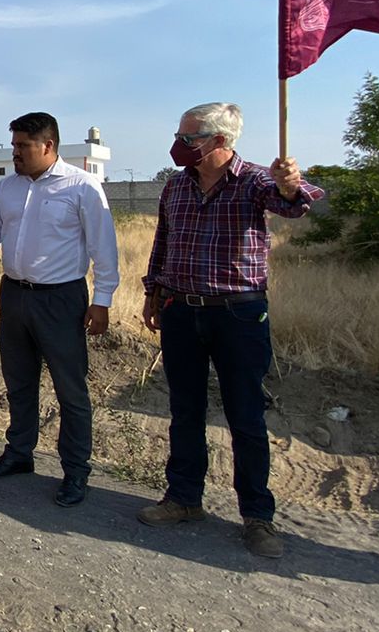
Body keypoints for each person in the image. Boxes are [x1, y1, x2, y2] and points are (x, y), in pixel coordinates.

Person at [138, 101, 322, 559]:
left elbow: (294, 203)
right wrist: (153, 291)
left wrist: (292, 184)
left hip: (238, 314)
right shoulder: (176, 187)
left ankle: (257, 516)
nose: (179, 146)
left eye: (189, 138)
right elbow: (163, 241)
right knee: (185, 410)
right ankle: (183, 499)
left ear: (221, 141)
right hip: (181, 309)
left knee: (245, 416)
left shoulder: (257, 181)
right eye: (180, 136)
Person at [0, 114, 119, 506]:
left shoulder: (82, 186)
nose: (14, 153)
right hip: (13, 296)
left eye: (22, 146)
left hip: (61, 301)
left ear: (48, 146)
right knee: (19, 382)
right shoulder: (8, 188)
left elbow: (104, 247)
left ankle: (76, 472)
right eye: (13, 145)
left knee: (70, 389)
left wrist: (102, 300)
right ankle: (19, 454)